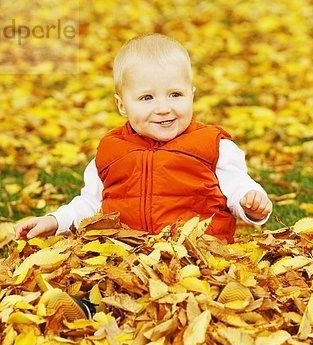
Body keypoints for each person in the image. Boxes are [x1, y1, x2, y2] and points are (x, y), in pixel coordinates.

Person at [14, 34, 272, 320]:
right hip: (130, 253)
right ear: (122, 105)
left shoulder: (212, 145)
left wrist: (250, 204)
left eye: (175, 94)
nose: (163, 107)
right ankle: (87, 307)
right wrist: (55, 221)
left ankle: (222, 298)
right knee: (108, 276)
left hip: (195, 251)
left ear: (192, 94)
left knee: (207, 273)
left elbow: (238, 187)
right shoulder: (111, 152)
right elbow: (90, 204)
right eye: (147, 98)